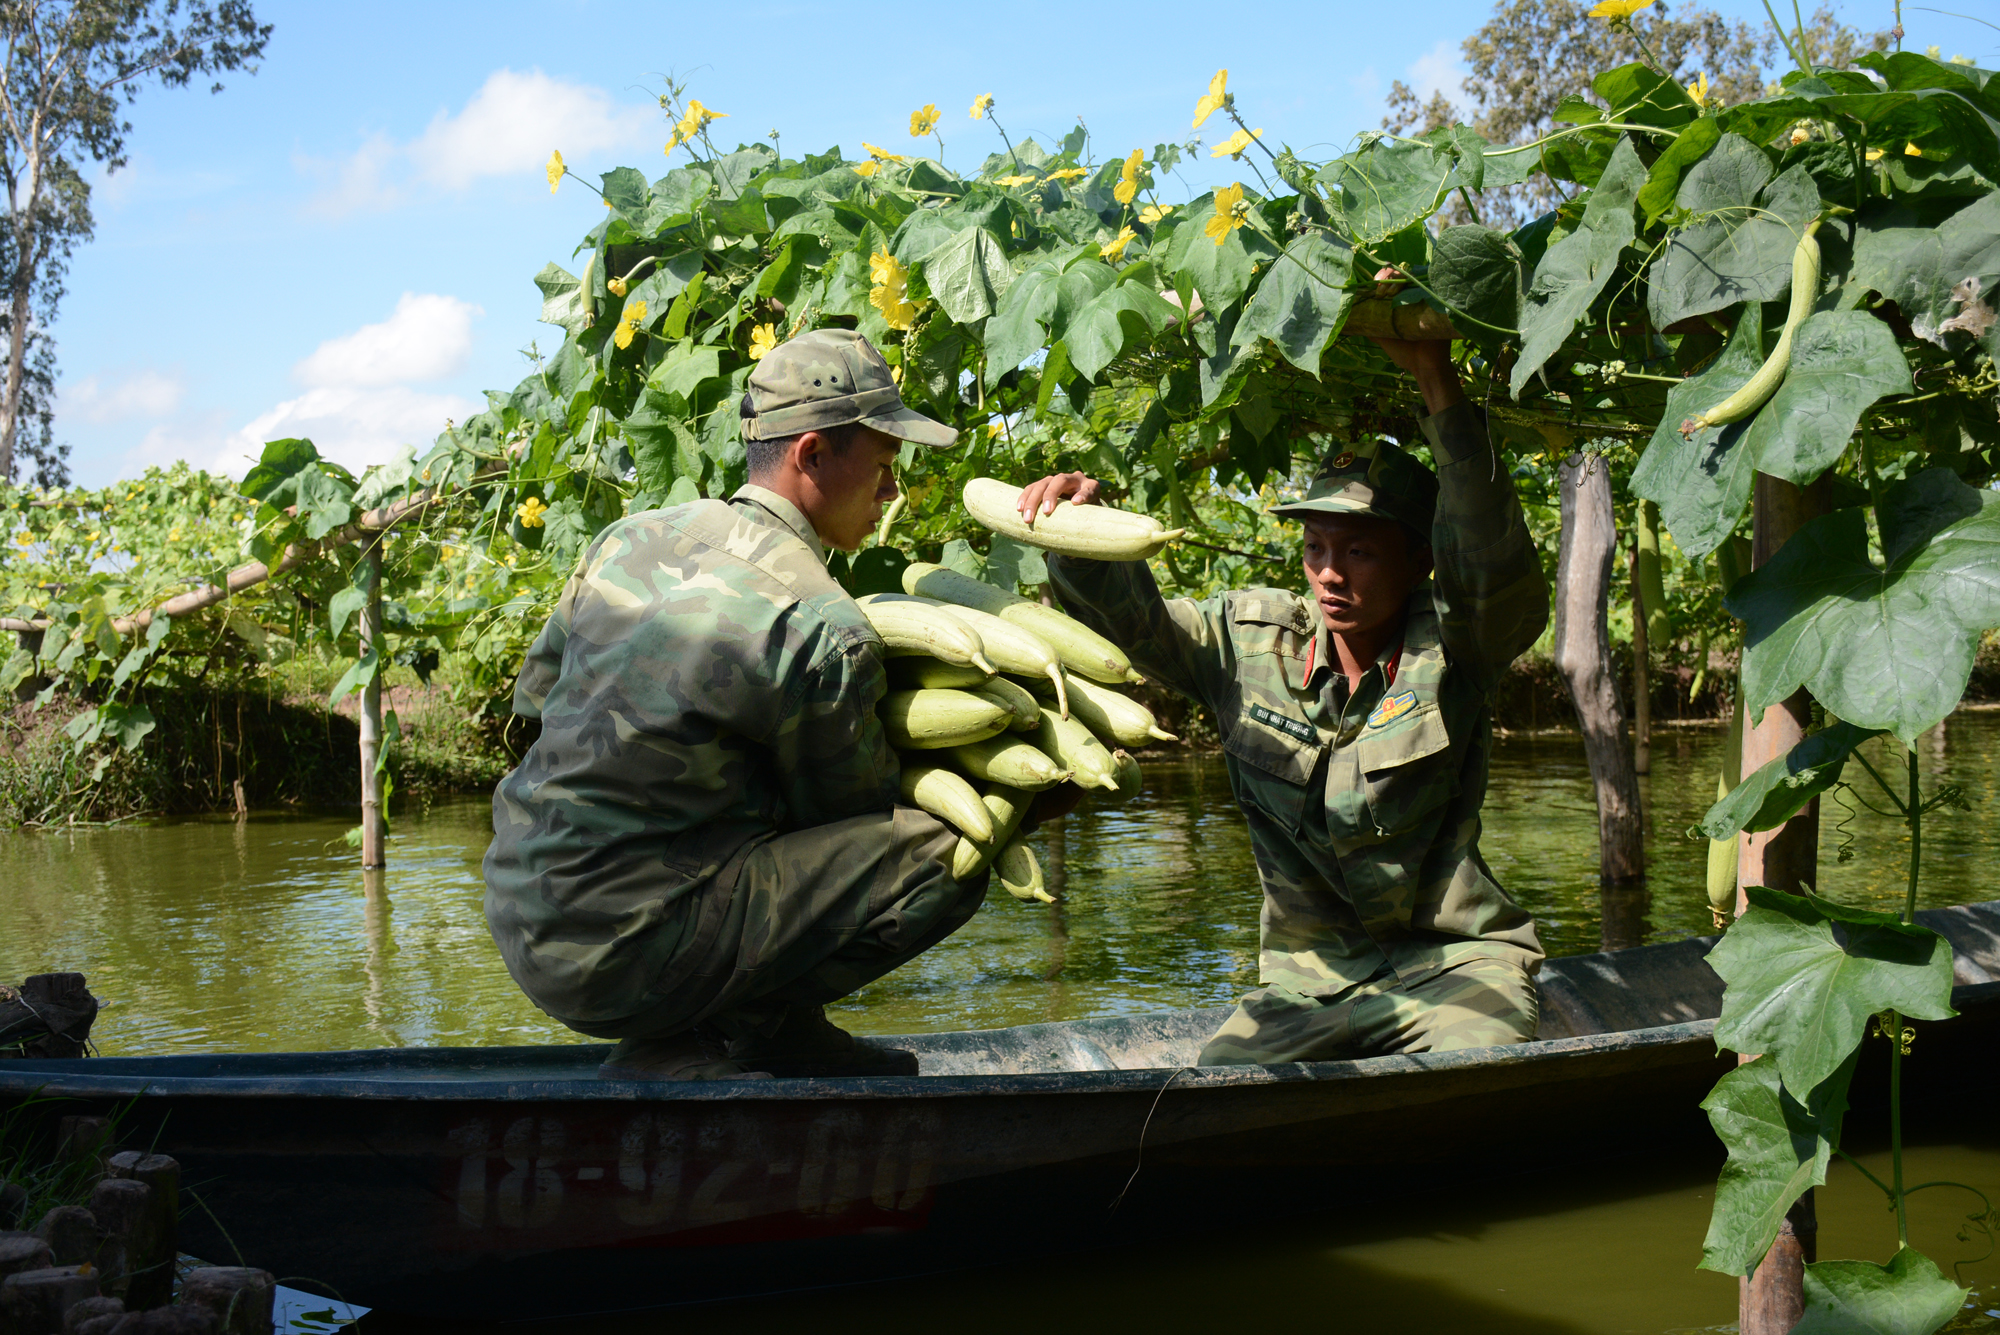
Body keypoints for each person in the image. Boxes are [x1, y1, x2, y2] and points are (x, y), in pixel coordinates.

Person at [1017, 332, 1550, 1065]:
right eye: (1316, 549)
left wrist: (1436, 376)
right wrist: (1077, 533)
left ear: (1419, 558)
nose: (1330, 574)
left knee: (1474, 1067)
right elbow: (1133, 627)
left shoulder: (1460, 647)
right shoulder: (1246, 642)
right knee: (1216, 1091)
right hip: (1307, 988)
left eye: (1359, 550)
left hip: (1451, 969)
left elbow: (1493, 561)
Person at [484, 329, 988, 1081]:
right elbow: (851, 815)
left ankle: (781, 1031)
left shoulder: (628, 536)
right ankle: (724, 1042)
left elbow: (538, 702)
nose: (891, 493)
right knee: (940, 854)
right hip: (627, 955)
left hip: (521, 910)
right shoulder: (823, 621)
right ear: (811, 454)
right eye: (883, 467)